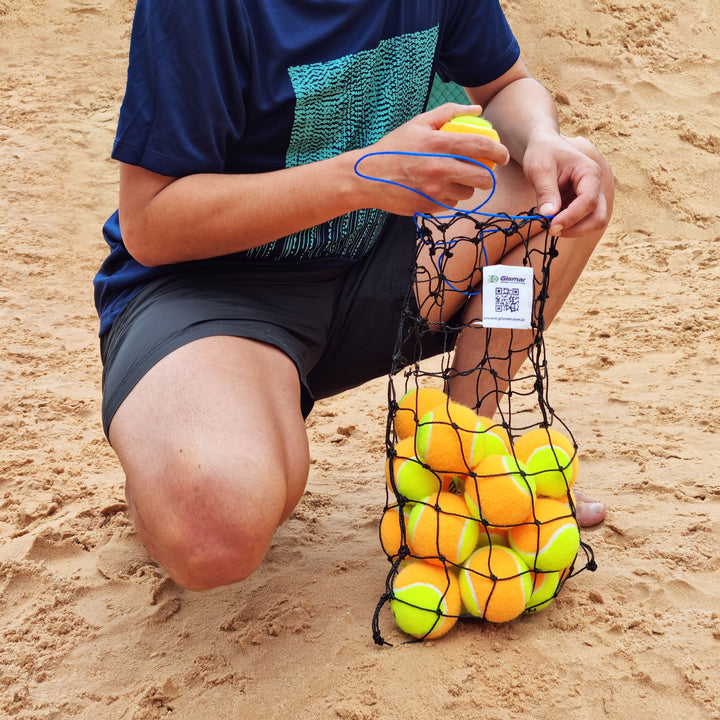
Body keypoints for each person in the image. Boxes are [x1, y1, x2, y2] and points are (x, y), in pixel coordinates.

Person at [94, 0, 614, 591]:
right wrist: (362, 177)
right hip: (213, 296)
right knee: (217, 528)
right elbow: (151, 224)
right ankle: (205, 431)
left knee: (564, 190)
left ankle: (461, 460)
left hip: (382, 265)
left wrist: (543, 136)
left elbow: (503, 89)